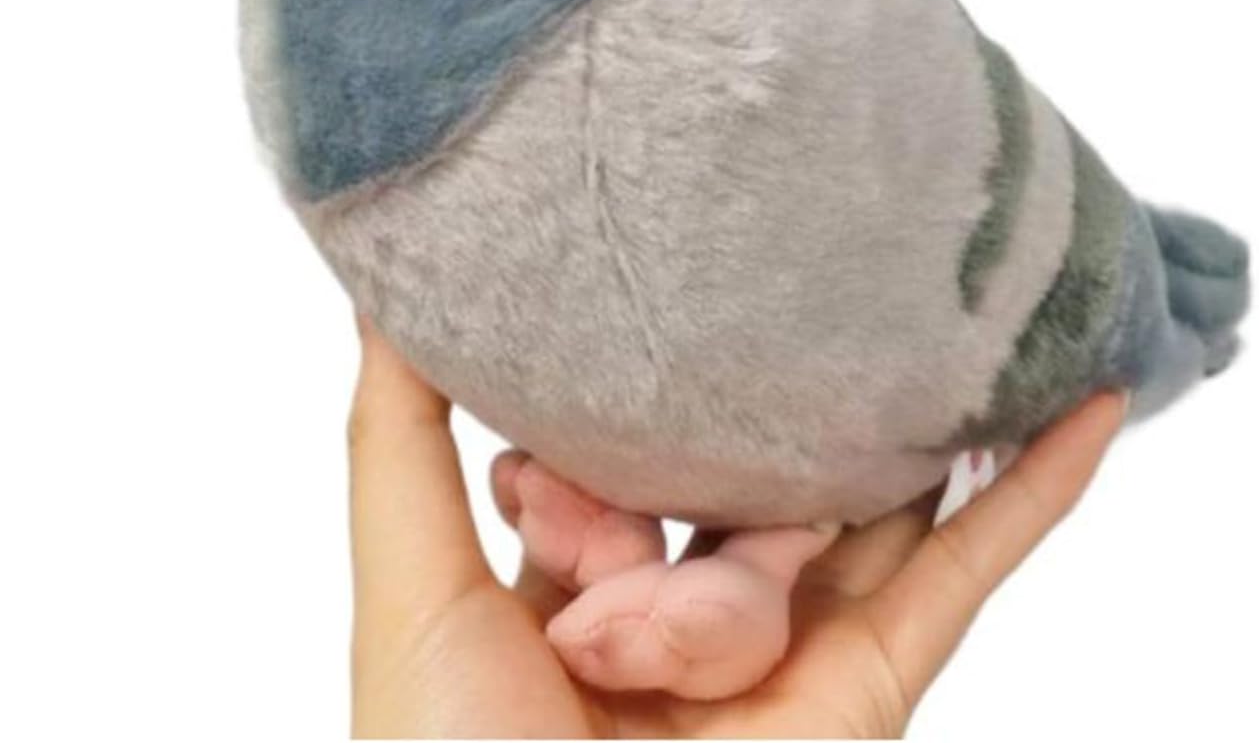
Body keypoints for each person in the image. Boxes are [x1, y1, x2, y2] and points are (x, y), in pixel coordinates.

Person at [348, 318, 1128, 739]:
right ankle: (622, 560)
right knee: (735, 581)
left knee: (740, 572)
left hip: (770, 531)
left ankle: (621, 559)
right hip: (757, 551)